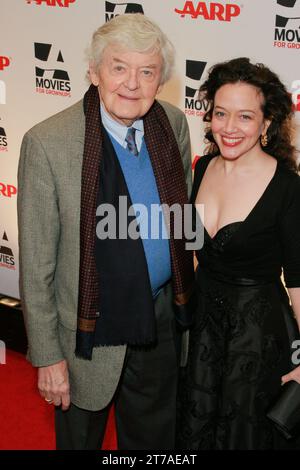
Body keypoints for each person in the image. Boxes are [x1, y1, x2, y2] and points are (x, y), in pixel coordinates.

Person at [17, 13, 195, 450]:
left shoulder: (171, 124)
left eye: (147, 71)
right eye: (119, 67)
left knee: (155, 442)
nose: (132, 83)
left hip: (159, 316)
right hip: (86, 330)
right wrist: (48, 357)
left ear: (160, 80)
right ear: (94, 72)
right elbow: (37, 264)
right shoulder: (48, 142)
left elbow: (183, 220)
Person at [177, 57, 300, 450]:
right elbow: (192, 252)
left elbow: (298, 280)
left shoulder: (287, 188)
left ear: (266, 124)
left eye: (245, 116)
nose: (229, 128)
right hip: (202, 332)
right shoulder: (203, 166)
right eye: (221, 113)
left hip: (257, 339)